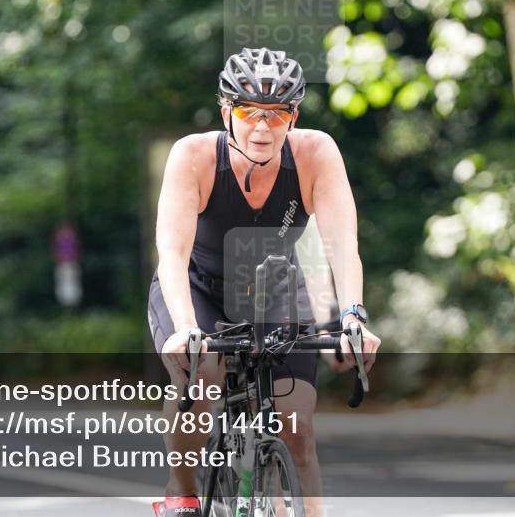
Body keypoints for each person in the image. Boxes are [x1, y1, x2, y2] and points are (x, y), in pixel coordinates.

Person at [147, 47, 381, 517]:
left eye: (276, 114)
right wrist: (186, 329)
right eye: (248, 112)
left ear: (294, 117)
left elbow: (341, 246)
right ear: (226, 114)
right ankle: (182, 485)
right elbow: (171, 252)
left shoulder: (316, 154)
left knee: (298, 428)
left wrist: (352, 316)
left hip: (274, 290)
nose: (261, 127)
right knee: (202, 375)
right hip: (197, 288)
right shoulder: (193, 156)